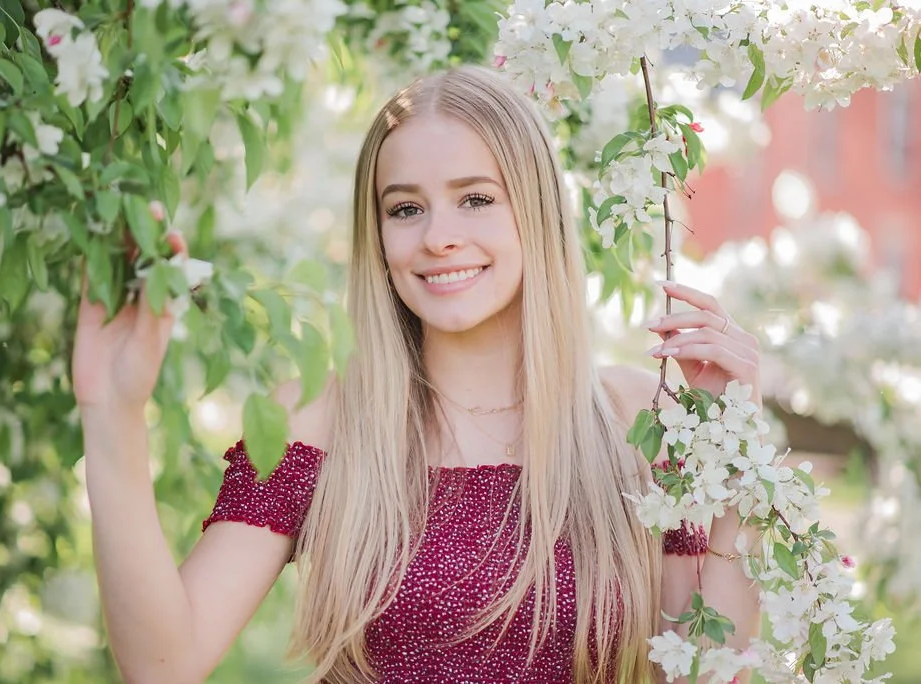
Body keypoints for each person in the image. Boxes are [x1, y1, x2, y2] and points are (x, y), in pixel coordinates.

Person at [72, 65, 760, 683]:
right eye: (405, 208)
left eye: (476, 199)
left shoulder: (634, 421)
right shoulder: (320, 420)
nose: (437, 237)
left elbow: (700, 674)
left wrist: (735, 471)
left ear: (537, 211)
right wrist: (111, 412)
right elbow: (163, 665)